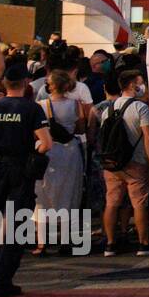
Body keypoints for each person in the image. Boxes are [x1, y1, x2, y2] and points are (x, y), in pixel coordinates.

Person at [0, 63, 53, 297]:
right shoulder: (32, 109)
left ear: (4, 84)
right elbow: (46, 143)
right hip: (20, 169)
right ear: (26, 83)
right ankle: (1, 281)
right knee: (17, 226)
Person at [99, 69, 149, 257]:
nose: (143, 87)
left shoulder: (108, 108)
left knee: (112, 202)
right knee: (139, 203)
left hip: (112, 163)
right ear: (133, 85)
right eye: (141, 82)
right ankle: (144, 243)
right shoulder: (141, 108)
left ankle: (110, 244)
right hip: (136, 162)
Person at [32, 69, 88, 255]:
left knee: (43, 194)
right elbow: (80, 127)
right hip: (70, 151)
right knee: (68, 193)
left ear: (52, 85)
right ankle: (66, 241)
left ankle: (42, 243)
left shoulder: (41, 105)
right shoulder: (75, 104)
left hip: (48, 151)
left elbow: (36, 130)